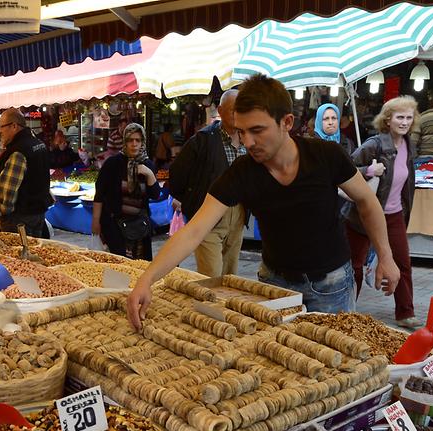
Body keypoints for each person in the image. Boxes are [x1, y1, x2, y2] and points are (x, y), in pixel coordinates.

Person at [126, 74, 400, 328]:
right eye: (242, 131)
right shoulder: (242, 172)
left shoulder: (326, 155)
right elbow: (194, 231)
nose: (248, 141)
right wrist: (147, 279)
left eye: (257, 130)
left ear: (287, 122)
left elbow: (366, 200)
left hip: (331, 284)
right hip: (273, 285)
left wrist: (386, 256)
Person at [346, 96, 422, 329]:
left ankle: (405, 312)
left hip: (394, 214)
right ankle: (347, 314)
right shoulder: (374, 144)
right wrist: (369, 169)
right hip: (363, 215)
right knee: (354, 266)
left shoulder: (409, 145)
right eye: (400, 117)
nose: (405, 122)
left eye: (409, 117)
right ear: (388, 120)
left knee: (402, 262)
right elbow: (346, 169)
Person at [168, 89, 246, 277]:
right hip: (208, 217)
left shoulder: (247, 138)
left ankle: (225, 307)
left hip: (238, 215)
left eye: (241, 110)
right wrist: (190, 203)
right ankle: (210, 306)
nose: (237, 116)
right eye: (232, 110)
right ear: (220, 110)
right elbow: (177, 173)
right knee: (212, 277)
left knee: (230, 276)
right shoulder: (204, 139)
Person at [92, 123, 159, 260]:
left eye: (138, 140)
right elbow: (99, 194)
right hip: (114, 225)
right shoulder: (113, 164)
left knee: (139, 266)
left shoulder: (148, 165)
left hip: (139, 227)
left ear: (142, 142)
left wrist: (149, 174)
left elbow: (155, 194)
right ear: (124, 142)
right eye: (130, 140)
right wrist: (95, 220)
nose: (134, 144)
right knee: (119, 265)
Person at [0, 108, 52, 237]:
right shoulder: (39, 144)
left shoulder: (18, 152)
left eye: (1, 127)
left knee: (19, 255)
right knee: (35, 250)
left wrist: (2, 213)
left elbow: (8, 192)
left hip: (20, 218)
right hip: (38, 212)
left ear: (14, 126)